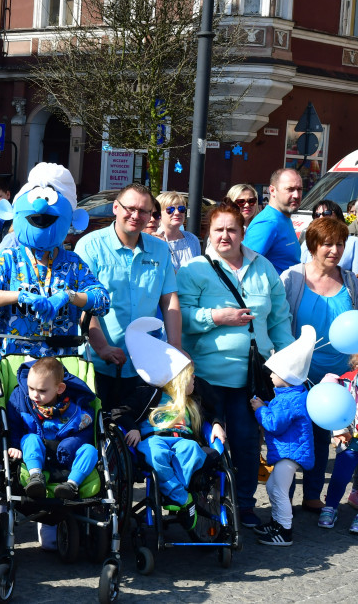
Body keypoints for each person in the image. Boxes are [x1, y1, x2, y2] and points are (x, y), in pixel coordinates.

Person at [177, 202, 294, 528]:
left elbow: (279, 319)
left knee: (245, 443)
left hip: (252, 378)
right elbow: (180, 317)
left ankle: (243, 505)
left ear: (243, 232)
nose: (225, 235)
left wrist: (284, 362)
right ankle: (205, 503)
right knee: (206, 445)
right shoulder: (194, 270)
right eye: (218, 230)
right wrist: (216, 317)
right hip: (206, 376)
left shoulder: (264, 267)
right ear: (208, 234)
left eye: (232, 229)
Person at [0, 163, 110, 368]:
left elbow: (102, 300)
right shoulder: (9, 258)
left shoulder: (73, 264)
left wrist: (69, 296)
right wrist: (18, 296)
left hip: (60, 363)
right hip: (15, 360)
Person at [74, 183, 180, 411]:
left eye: (144, 211)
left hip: (143, 363)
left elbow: (169, 300)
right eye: (130, 208)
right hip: (96, 363)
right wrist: (101, 347)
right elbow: (83, 305)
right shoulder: (90, 246)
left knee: (136, 434)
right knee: (97, 432)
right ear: (115, 207)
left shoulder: (160, 250)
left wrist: (176, 347)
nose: (136, 215)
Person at [280, 214, 358, 513]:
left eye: (340, 243)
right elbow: (277, 319)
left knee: (322, 433)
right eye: (327, 244)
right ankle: (282, 495)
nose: (334, 250)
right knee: (292, 433)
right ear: (313, 245)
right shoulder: (293, 277)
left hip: (338, 376)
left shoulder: (350, 280)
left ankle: (312, 494)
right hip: (298, 371)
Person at [120, 317, 225, 529]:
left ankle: (177, 493)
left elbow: (216, 408)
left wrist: (216, 423)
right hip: (154, 438)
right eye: (190, 375)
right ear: (177, 379)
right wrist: (132, 427)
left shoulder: (194, 398)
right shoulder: (148, 395)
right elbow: (120, 412)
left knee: (192, 451)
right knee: (155, 454)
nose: (195, 378)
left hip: (183, 438)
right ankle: (182, 498)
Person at [250, 327, 316, 546]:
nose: (270, 375)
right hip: (289, 451)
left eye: (274, 373)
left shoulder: (288, 399)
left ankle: (284, 530)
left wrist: (260, 409)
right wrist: (267, 405)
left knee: (279, 490)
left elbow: (274, 424)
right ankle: (277, 522)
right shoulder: (292, 395)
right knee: (273, 487)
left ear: (287, 377)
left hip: (289, 453)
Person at [5, 356, 98, 500]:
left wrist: (72, 444)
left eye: (42, 391)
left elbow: (86, 432)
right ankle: (35, 477)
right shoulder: (22, 401)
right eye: (31, 388)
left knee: (90, 450)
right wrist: (14, 445)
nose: (35, 395)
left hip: (67, 454)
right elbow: (14, 425)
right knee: (30, 438)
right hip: (36, 454)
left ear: (59, 388)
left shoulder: (76, 408)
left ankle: (71, 485)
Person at [317, 368, 358, 534]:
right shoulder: (346, 381)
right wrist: (339, 430)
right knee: (341, 476)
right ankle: (331, 506)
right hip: (350, 438)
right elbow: (335, 407)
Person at [243, 168, 303, 275]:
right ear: (272, 190)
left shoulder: (283, 218)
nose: (296, 195)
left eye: (299, 189)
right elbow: (245, 269)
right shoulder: (267, 223)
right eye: (290, 189)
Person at [300, 199, 358, 272]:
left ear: (338, 216)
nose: (321, 218)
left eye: (326, 213)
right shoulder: (307, 243)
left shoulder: (353, 243)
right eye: (317, 215)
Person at [155, 191, 201, 271]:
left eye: (181, 209)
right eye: (170, 209)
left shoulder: (192, 239)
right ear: (159, 214)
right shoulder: (154, 239)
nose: (177, 213)